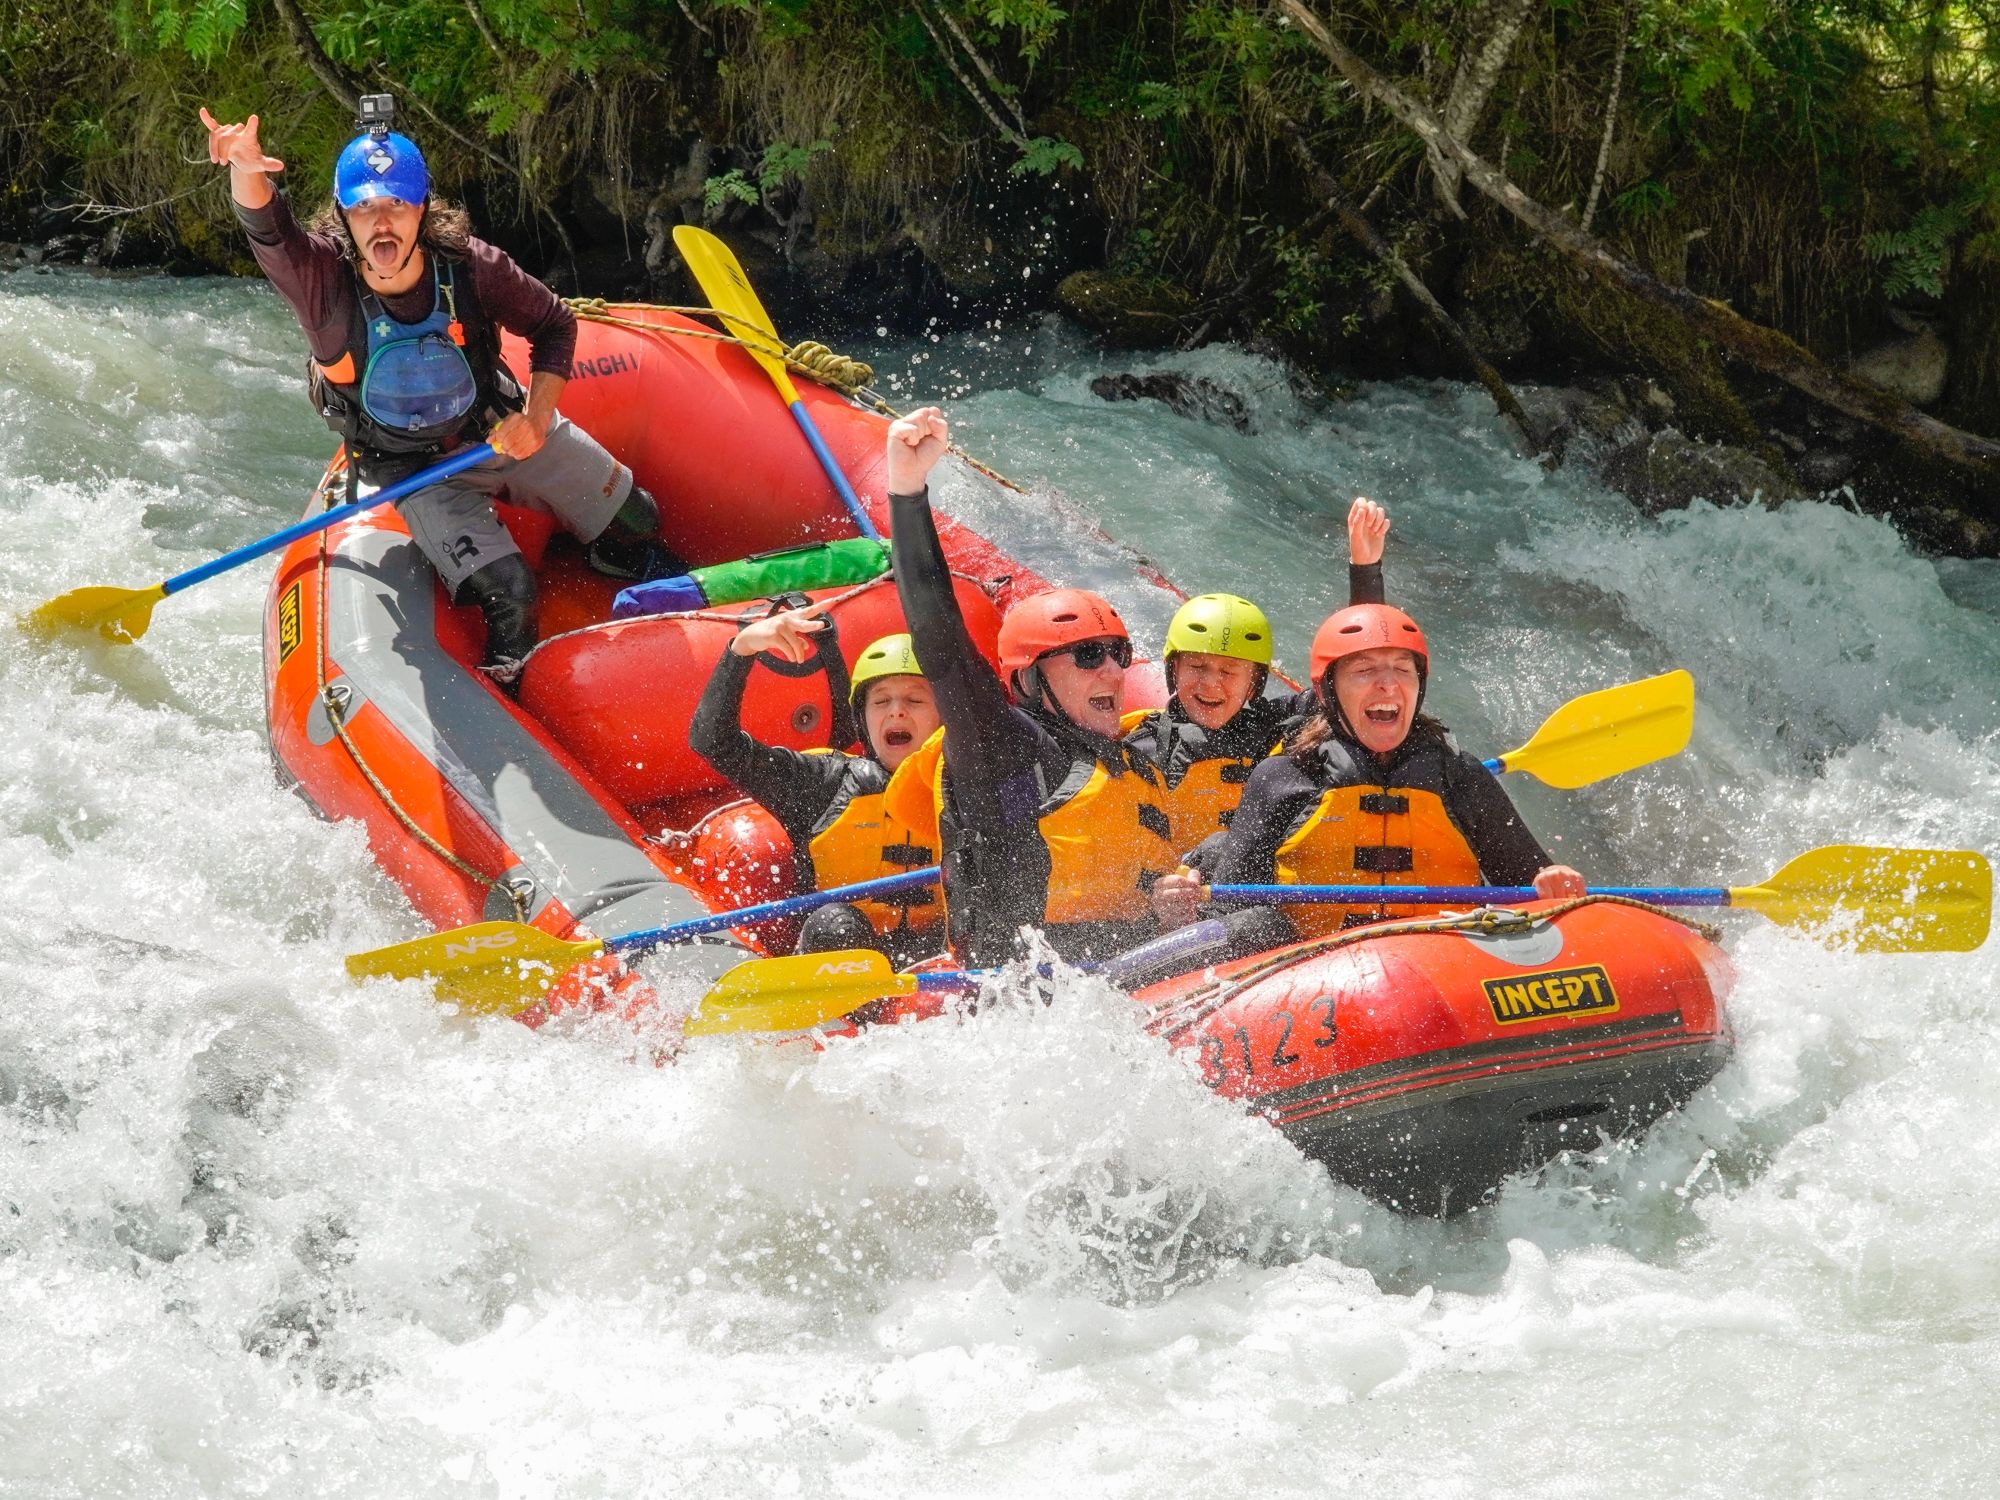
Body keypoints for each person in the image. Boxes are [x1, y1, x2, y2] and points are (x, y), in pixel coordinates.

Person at [199, 99, 671, 687]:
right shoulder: (319, 282)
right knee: (513, 594)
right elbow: (269, 229)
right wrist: (246, 169)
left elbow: (555, 325)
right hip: (411, 469)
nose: (382, 222)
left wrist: (536, 415)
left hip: (493, 429)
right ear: (344, 216)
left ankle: (614, 560)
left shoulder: (473, 267)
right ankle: (511, 689)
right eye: (365, 207)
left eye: (397, 203)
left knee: (638, 516)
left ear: (422, 208)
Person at [885, 407, 1178, 966]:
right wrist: (908, 491)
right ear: (1029, 678)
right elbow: (939, 638)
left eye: (1119, 654)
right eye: (1088, 656)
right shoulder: (1003, 749)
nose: (1114, 673)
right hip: (1028, 994)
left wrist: (1172, 897)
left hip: (1125, 976)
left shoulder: (1140, 759)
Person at [1152, 601, 1585, 938]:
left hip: (1448, 962)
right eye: (1364, 671)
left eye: (1402, 669)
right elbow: (1230, 911)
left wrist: (1553, 882)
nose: (1386, 684)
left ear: (1419, 685)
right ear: (1329, 690)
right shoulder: (1282, 777)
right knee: (1258, 924)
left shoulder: (1461, 775)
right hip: (1312, 978)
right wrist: (1181, 910)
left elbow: (1529, 883)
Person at [1124, 497, 1393, 859]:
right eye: (1197, 667)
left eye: (1229, 672)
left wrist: (1365, 569)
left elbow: (1353, 677)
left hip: (1269, 892)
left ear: (1254, 683)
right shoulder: (1145, 747)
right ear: (1173, 669)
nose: (1210, 684)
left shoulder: (1278, 727)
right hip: (1187, 900)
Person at [690, 613, 945, 959]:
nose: (896, 712)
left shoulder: (966, 786)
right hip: (841, 956)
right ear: (863, 718)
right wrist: (742, 650)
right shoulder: (822, 782)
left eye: (915, 700)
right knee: (834, 924)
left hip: (939, 954)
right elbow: (714, 742)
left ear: (943, 716)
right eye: (881, 701)